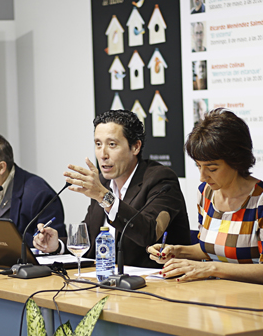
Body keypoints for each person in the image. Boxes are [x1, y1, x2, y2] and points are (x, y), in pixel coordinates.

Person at [147, 109, 263, 284]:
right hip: (212, 295)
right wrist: (176, 251)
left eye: (212, 168)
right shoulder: (206, 193)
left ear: (236, 161)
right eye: (198, 166)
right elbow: (211, 248)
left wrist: (211, 268)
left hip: (254, 300)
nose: (203, 176)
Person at [33, 110, 190, 268]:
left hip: (156, 284)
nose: (103, 154)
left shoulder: (160, 179)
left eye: (112, 144)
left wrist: (103, 197)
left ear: (135, 147)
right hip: (109, 282)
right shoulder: (103, 182)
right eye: (98, 144)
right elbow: (91, 241)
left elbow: (149, 234)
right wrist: (57, 244)